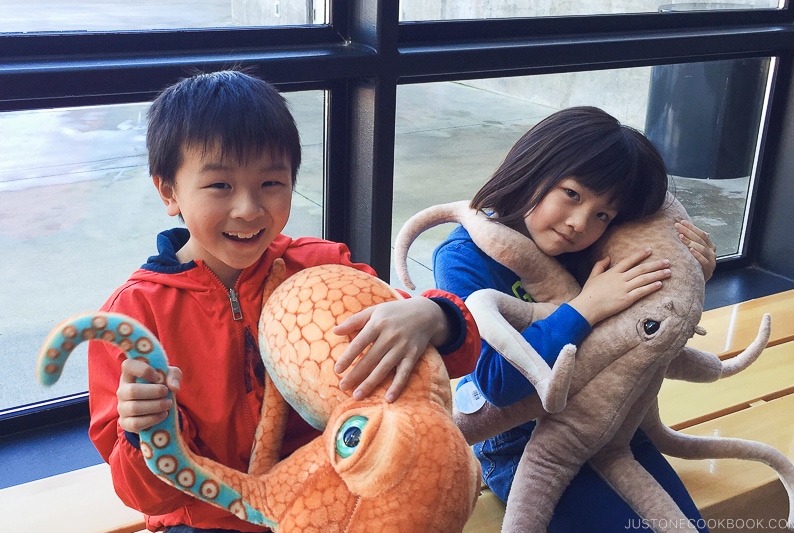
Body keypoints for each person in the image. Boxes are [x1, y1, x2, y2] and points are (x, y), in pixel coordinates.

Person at [87, 70, 480, 533]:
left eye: (271, 183)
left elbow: (439, 367)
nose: (249, 209)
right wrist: (144, 430)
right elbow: (143, 494)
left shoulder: (323, 267)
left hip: (328, 499)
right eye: (220, 186)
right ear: (169, 191)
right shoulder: (134, 315)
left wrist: (434, 315)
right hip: (209, 520)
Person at [433, 106, 717, 532]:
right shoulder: (466, 256)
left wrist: (694, 274)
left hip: (615, 426)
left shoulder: (592, 248)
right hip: (522, 440)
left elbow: (641, 329)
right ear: (534, 167)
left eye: (603, 214)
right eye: (572, 194)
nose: (579, 223)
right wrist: (585, 308)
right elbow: (497, 381)